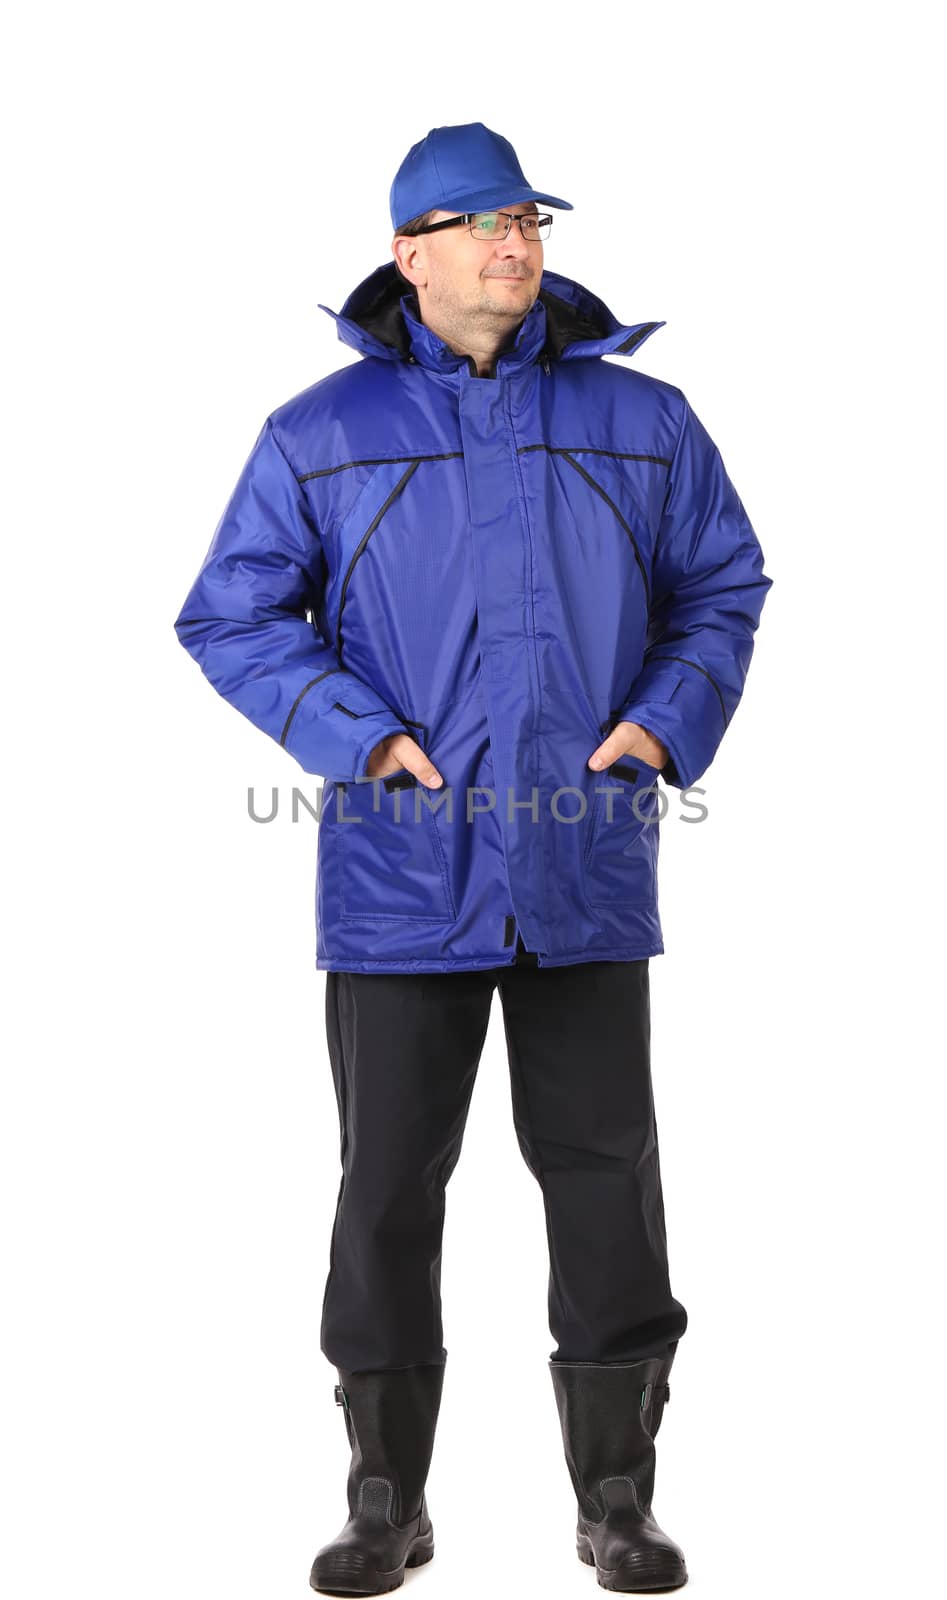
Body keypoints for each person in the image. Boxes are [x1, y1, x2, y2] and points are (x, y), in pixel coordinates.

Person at [174, 120, 772, 1595]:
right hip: (400, 882)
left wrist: (656, 727)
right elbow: (230, 613)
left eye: (532, 221)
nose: (520, 245)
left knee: (606, 1175)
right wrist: (356, 733)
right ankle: (386, 1499)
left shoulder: (645, 421)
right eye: (485, 223)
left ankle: (618, 1495)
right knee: (387, 1185)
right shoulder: (321, 433)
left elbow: (723, 586)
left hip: (582, 869)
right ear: (410, 251)